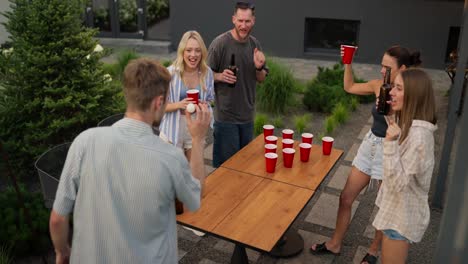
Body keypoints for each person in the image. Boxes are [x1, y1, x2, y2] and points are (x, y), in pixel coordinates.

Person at [49, 58, 211, 264]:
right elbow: (195, 199)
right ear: (159, 102)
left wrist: (62, 252)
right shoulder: (170, 157)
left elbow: (57, 218)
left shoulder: (84, 141)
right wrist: (197, 140)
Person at [310, 45, 422, 264]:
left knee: (384, 207)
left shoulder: (408, 95)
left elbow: (407, 131)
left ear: (403, 69)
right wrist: (348, 62)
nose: (382, 71)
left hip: (390, 150)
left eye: (387, 67)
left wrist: (390, 112)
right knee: (345, 198)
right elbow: (349, 86)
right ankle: (335, 243)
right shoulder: (378, 85)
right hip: (369, 146)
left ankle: (372, 252)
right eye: (382, 66)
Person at [373, 68, 437, 264]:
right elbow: (398, 131)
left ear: (414, 96)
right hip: (396, 212)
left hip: (401, 219)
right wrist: (388, 113)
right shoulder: (412, 124)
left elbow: (397, 184)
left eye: (398, 88)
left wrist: (390, 144)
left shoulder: (420, 137)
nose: (391, 92)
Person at [207, 1, 268, 168]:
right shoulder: (220, 43)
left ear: (253, 21)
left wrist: (259, 67)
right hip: (225, 118)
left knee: (243, 169)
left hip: (247, 117)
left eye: (247, 21)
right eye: (240, 21)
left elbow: (261, 78)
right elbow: (203, 75)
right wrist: (219, 75)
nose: (243, 25)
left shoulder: (255, 45)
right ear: (233, 19)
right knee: (225, 170)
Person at [160, 30, 214, 161]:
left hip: (195, 126)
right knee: (174, 174)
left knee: (194, 173)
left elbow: (210, 100)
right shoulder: (170, 73)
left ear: (202, 52)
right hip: (173, 127)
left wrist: (204, 104)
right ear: (182, 51)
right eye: (189, 50)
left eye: (197, 50)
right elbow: (160, 106)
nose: (193, 55)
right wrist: (179, 104)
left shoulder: (207, 73)